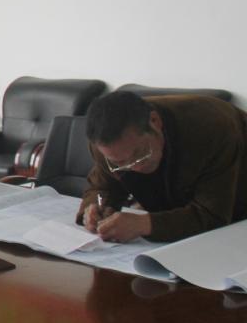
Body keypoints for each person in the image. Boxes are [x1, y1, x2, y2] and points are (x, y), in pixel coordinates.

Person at [78, 91, 247, 243]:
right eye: (120, 163)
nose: (136, 168)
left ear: (155, 121)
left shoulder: (211, 130)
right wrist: (96, 208)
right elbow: (102, 187)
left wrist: (145, 224)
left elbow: (212, 215)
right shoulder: (105, 145)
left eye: (140, 153)